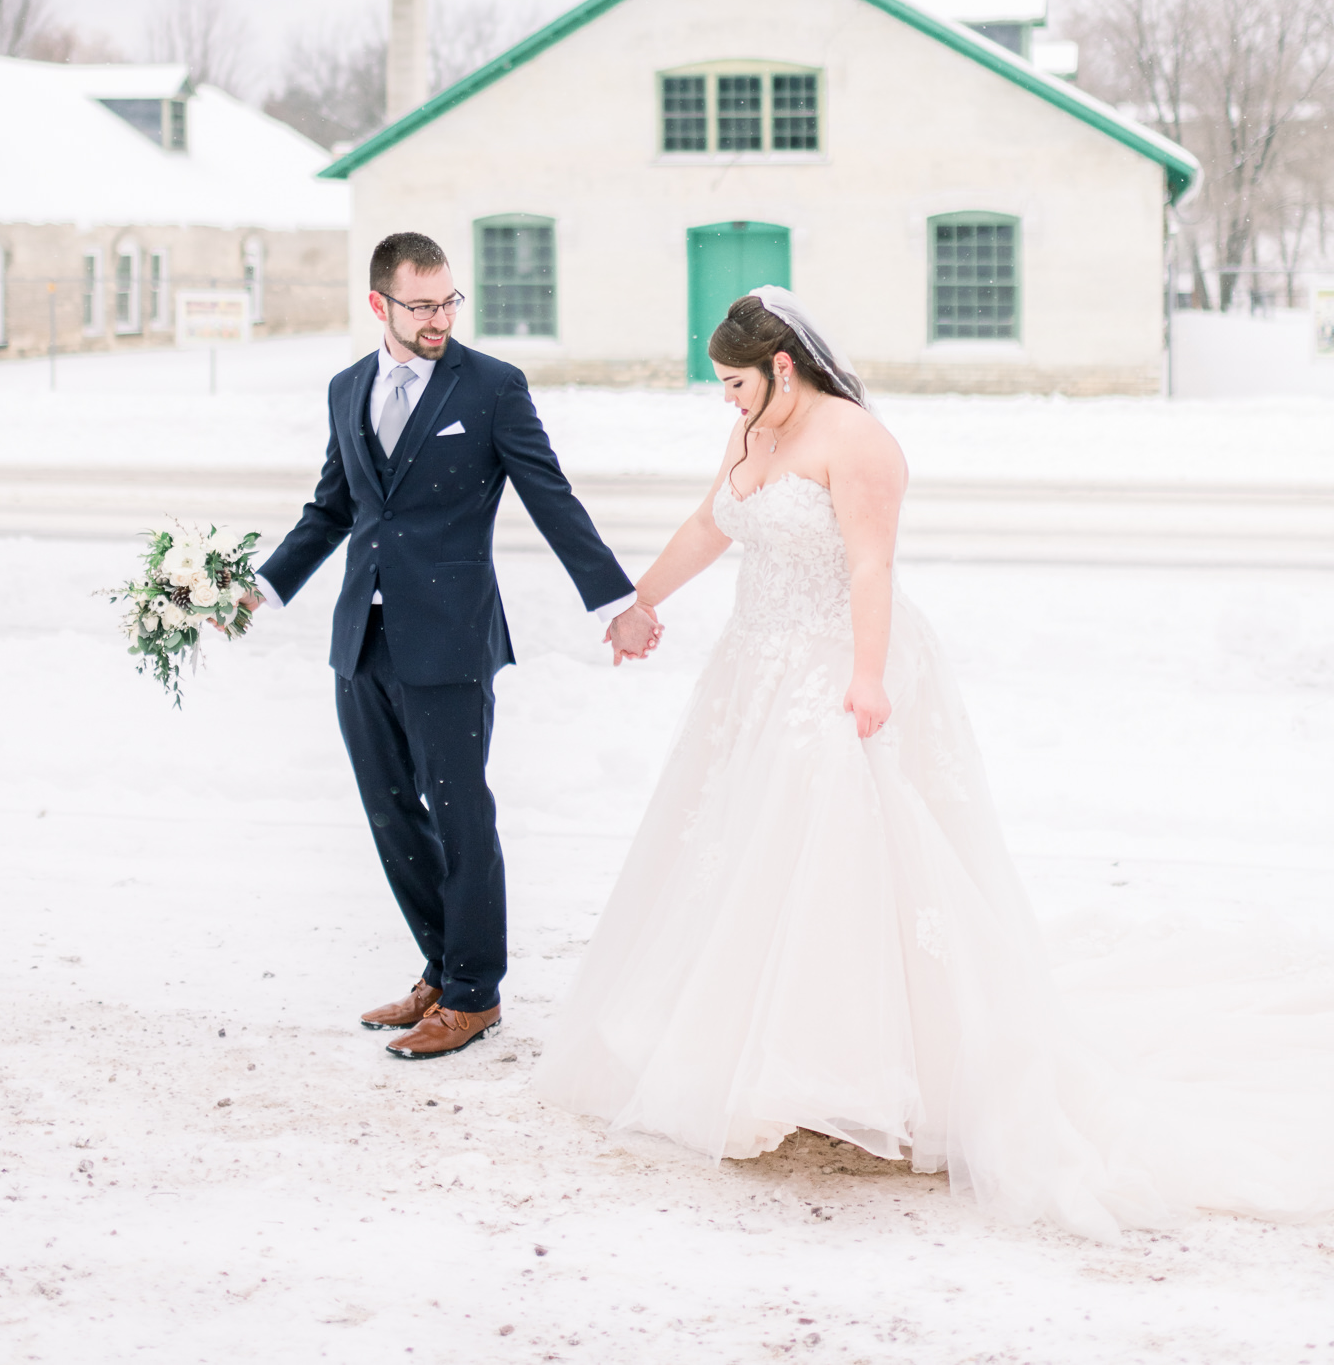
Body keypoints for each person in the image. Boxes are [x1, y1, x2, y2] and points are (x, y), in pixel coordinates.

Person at [537, 286, 1313, 1237]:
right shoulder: (753, 436)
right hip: (754, 670)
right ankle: (747, 1054)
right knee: (740, 859)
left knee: (842, 859)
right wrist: (639, 601)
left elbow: (871, 566)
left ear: (784, 366)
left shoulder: (856, 442)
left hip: (835, 666)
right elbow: (712, 525)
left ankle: (866, 1067)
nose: (726, 401)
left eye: (736, 382)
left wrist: (866, 678)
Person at [250, 231, 659, 1061]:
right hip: (360, 638)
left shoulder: (492, 387)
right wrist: (259, 587)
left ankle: (475, 994)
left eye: (448, 302)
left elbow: (551, 496)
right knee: (389, 808)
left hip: (450, 639)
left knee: (460, 810)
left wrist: (615, 600)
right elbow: (334, 507)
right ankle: (440, 970)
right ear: (380, 305)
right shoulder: (346, 388)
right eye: (422, 304)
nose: (439, 318)